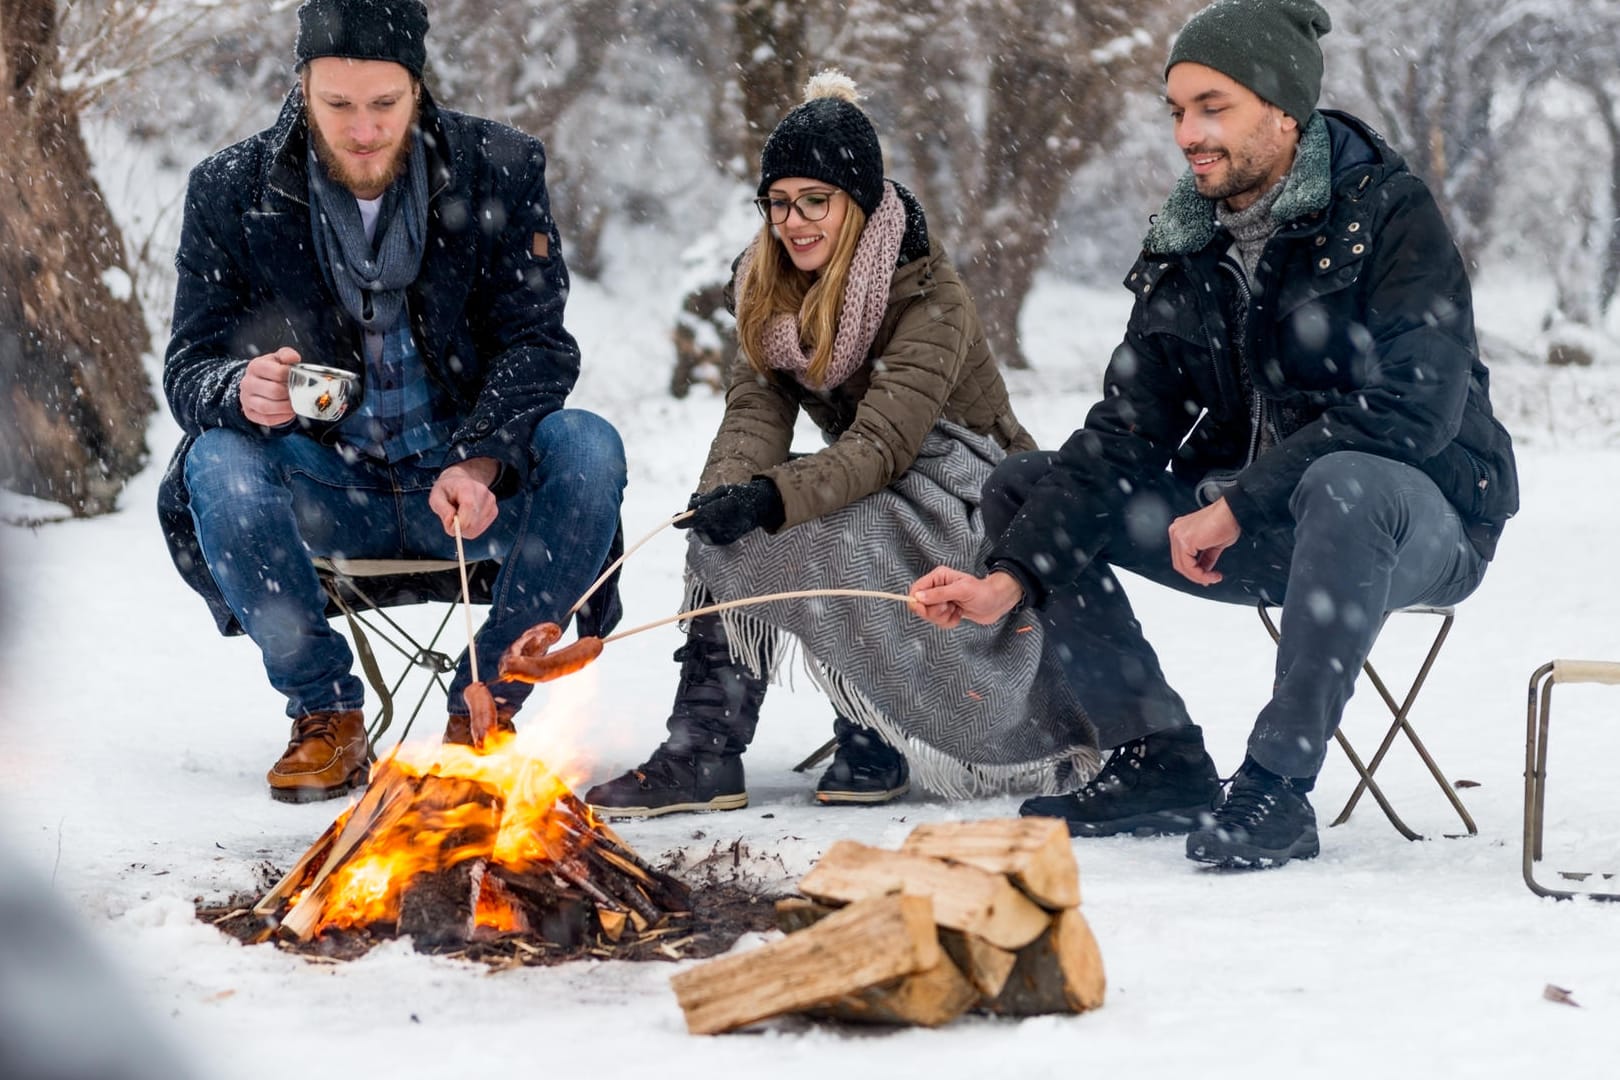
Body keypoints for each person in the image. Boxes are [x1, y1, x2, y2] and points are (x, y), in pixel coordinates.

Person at [911, 0, 1518, 869]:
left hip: (1412, 522)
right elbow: (1124, 434)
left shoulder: (1389, 214)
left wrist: (1240, 502)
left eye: (1213, 106)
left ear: (1283, 111)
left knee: (1346, 479)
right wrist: (1010, 579)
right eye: (1176, 110)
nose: (1188, 132)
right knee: (1023, 486)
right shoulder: (1187, 243)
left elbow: (1416, 410)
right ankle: (1157, 755)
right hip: (1255, 530)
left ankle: (1276, 786)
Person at [585, 72, 1094, 818]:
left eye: (814, 200)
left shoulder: (928, 295)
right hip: (872, 468)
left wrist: (775, 495)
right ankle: (704, 748)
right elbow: (753, 412)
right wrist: (728, 491)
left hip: (971, 481)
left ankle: (877, 730)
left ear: (855, 203)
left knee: (843, 525)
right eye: (779, 202)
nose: (794, 221)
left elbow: (887, 443)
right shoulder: (769, 287)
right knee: (738, 534)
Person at [158, 0, 625, 803]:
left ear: (418, 88)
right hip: (327, 488)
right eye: (337, 105)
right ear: (302, 88)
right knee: (217, 459)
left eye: (384, 104)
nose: (362, 129)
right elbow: (188, 368)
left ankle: (489, 702)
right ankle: (325, 713)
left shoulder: (499, 165)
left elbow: (538, 344)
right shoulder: (231, 190)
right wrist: (240, 389)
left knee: (589, 446)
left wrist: (480, 462)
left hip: (472, 491)